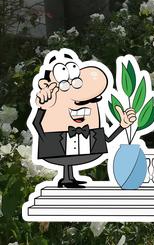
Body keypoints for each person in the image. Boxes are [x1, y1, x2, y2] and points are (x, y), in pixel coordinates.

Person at [30, 49, 136, 188]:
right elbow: (36, 122)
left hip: (84, 142)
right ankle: (67, 178)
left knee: (70, 159)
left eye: (91, 100)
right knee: (66, 159)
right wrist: (47, 141)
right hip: (57, 141)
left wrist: (122, 125)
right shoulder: (50, 102)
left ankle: (69, 178)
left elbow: (108, 139)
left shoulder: (92, 130)